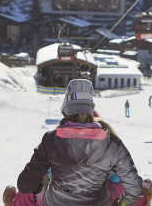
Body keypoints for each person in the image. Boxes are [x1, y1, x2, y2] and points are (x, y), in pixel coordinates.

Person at [15, 79, 144, 206]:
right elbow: (135, 189)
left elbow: (25, 184)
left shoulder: (51, 140)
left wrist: (39, 187)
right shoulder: (111, 143)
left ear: (66, 108)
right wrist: (122, 204)